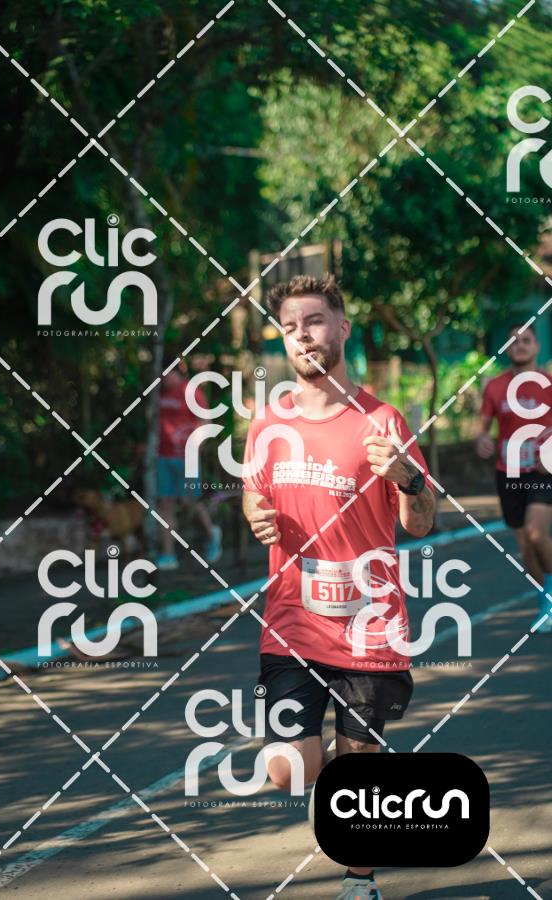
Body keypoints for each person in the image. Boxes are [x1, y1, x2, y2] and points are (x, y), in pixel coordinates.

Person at [242, 274, 435, 900]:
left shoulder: (383, 420)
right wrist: (254, 514)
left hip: (369, 626)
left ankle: (359, 880)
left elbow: (420, 523)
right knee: (287, 771)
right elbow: (253, 492)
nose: (303, 335)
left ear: (342, 328)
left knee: (359, 768)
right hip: (292, 621)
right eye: (290, 326)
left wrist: (408, 479)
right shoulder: (268, 423)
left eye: (315, 321)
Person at [476, 323, 552, 631]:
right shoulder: (495, 387)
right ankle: (545, 603)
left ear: (537, 346)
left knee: (535, 533)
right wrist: (481, 440)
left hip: (542, 471)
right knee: (525, 546)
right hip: (508, 472)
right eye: (514, 341)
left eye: (526, 340)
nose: (519, 346)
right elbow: (482, 429)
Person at [156, 358, 222, 571]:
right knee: (165, 504)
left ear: (176, 372)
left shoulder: (190, 391)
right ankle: (168, 555)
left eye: (166, 374)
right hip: (163, 456)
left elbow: (206, 422)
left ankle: (212, 534)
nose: (163, 379)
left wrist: (195, 449)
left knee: (190, 501)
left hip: (186, 457)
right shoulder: (159, 393)